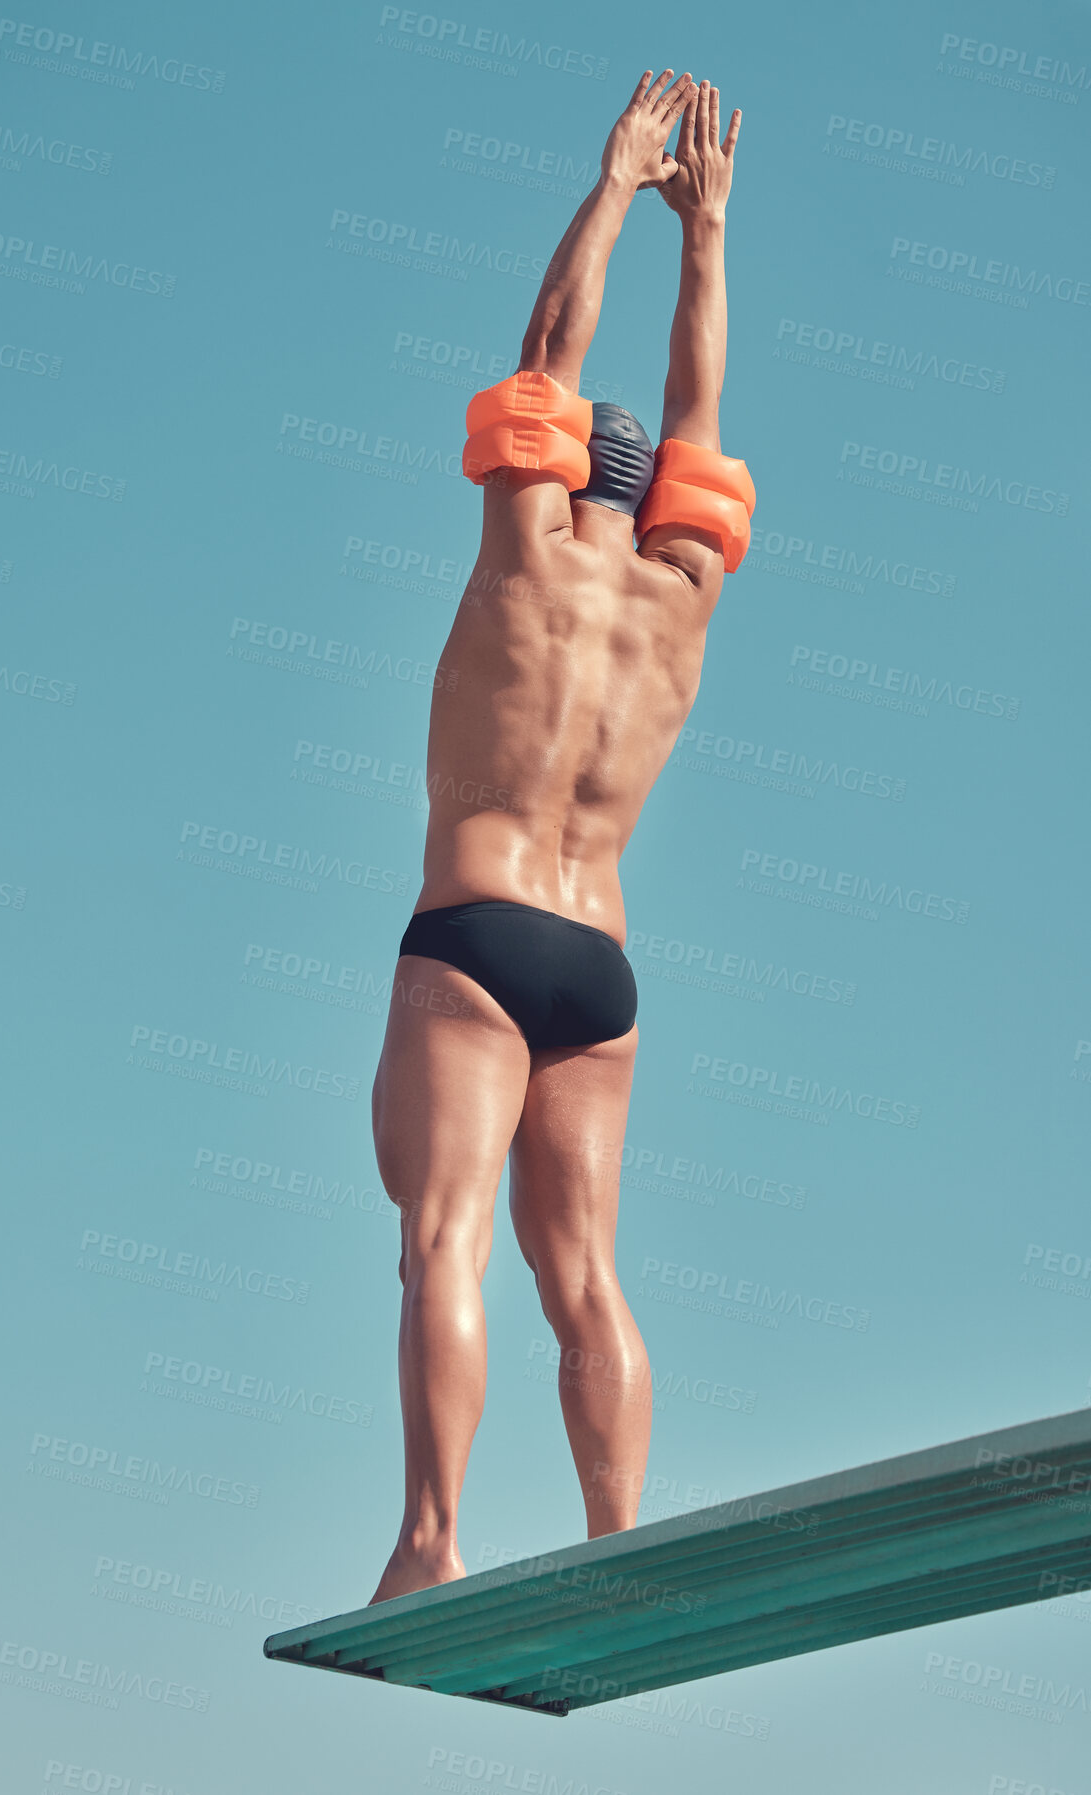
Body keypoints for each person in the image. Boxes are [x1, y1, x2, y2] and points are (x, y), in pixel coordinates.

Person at [369, 69, 751, 1604]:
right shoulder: (683, 592)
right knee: (584, 1278)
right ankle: (618, 1547)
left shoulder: (522, 550)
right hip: (600, 968)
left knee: (442, 1246)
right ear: (661, 503)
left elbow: (549, 347)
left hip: (470, 945)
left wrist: (610, 184)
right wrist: (703, 233)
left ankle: (428, 1542)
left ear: (542, 471)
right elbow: (693, 409)